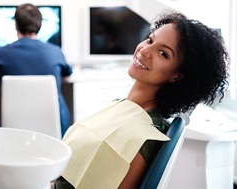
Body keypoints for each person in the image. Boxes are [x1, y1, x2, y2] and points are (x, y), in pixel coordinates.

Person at [54, 10, 229, 188]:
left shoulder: (144, 138)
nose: (145, 50)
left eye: (163, 53)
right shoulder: (121, 104)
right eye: (150, 40)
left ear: (177, 75)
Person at [0, 3, 73, 136]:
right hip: (56, 132)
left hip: (15, 132)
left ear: (16, 24)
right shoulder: (56, 52)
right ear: (40, 25)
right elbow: (67, 75)